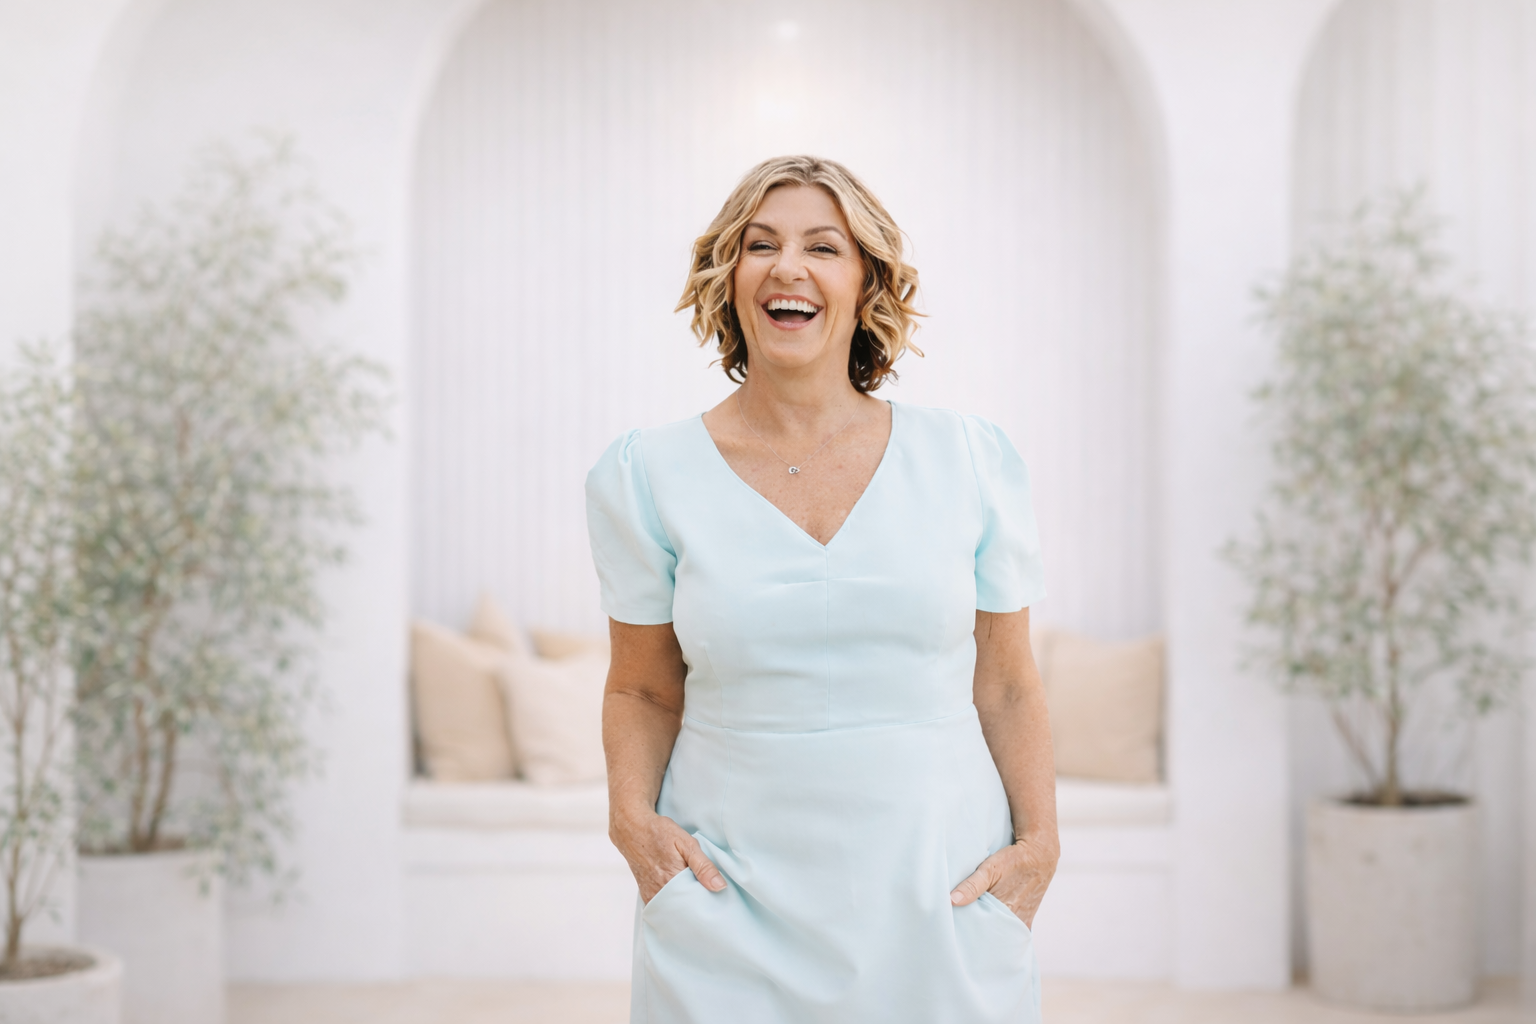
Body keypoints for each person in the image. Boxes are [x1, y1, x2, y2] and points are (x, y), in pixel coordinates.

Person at [586, 155, 1057, 1024]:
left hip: (941, 892)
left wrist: (1039, 848)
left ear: (866, 281)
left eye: (823, 247)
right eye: (760, 245)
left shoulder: (971, 460)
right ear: (729, 278)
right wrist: (631, 824)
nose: (788, 268)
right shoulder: (646, 473)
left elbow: (1007, 681)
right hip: (726, 897)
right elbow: (643, 687)